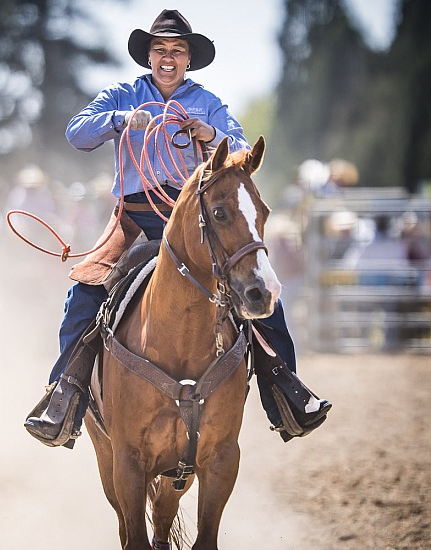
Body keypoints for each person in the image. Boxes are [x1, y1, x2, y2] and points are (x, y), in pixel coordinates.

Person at [24, 9, 331, 448]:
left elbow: (241, 150)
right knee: (86, 290)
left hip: (192, 220)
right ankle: (64, 397)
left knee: (260, 289)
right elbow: (76, 132)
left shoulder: (207, 102)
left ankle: (284, 392)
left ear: (189, 59)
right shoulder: (122, 94)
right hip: (133, 219)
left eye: (177, 50)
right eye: (160, 49)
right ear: (149, 56)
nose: (168, 57)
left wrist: (208, 133)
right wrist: (122, 120)